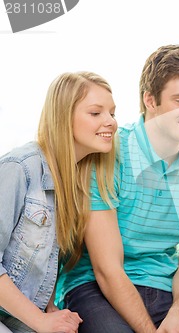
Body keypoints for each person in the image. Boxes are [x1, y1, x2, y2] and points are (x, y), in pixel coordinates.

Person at [55, 45, 179, 333]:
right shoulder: (108, 153)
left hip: (165, 286)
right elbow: (107, 269)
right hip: (94, 288)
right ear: (150, 100)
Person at [0, 71, 118, 332]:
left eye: (112, 112)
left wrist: (49, 307)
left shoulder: (78, 180)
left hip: (25, 316)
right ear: (64, 117)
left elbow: (48, 259)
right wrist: (40, 319)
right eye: (96, 113)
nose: (111, 121)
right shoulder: (20, 168)